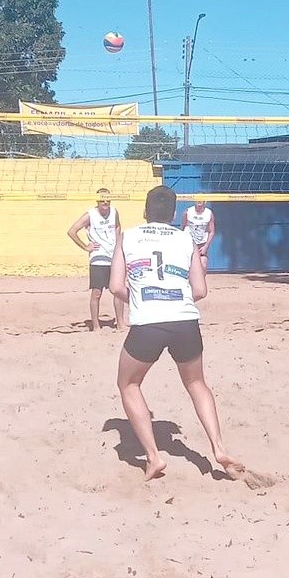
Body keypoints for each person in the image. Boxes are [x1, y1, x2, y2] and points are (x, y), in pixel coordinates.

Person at [109, 185, 241, 481]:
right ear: (172, 215)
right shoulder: (185, 239)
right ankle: (218, 448)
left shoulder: (127, 236)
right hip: (185, 321)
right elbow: (201, 290)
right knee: (196, 383)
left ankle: (154, 457)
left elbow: (116, 286)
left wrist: (143, 301)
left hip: (148, 323)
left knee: (128, 384)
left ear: (145, 212)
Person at [67, 188, 124, 332]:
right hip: (98, 259)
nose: (105, 202)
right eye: (103, 200)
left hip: (113, 258)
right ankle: (96, 326)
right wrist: (86, 246)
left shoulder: (114, 212)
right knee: (97, 293)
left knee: (118, 291)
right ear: (97, 200)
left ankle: (120, 323)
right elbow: (72, 231)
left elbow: (117, 226)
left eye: (108, 200)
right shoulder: (90, 215)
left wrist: (118, 245)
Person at [181, 199, 216, 270]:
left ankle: (200, 280)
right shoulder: (188, 211)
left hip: (201, 244)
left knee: (203, 265)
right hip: (189, 243)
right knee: (188, 265)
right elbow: (183, 227)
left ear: (205, 201)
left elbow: (211, 231)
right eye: (197, 199)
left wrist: (206, 246)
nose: (199, 201)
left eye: (201, 199)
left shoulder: (209, 213)